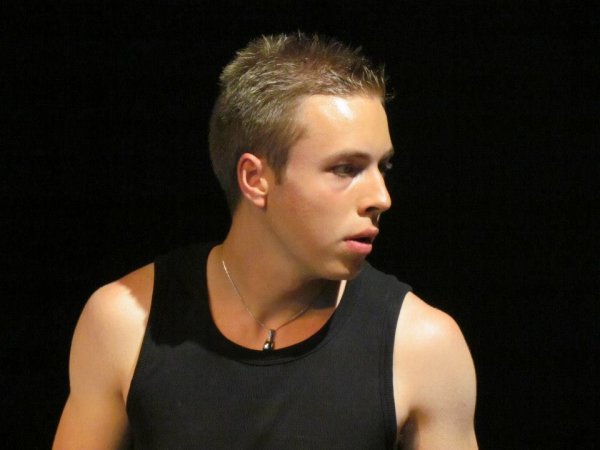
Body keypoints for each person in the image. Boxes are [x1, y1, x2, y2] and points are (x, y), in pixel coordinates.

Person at [54, 33, 477, 449]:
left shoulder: (422, 347)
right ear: (255, 179)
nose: (381, 198)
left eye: (382, 167)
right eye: (346, 169)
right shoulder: (125, 324)